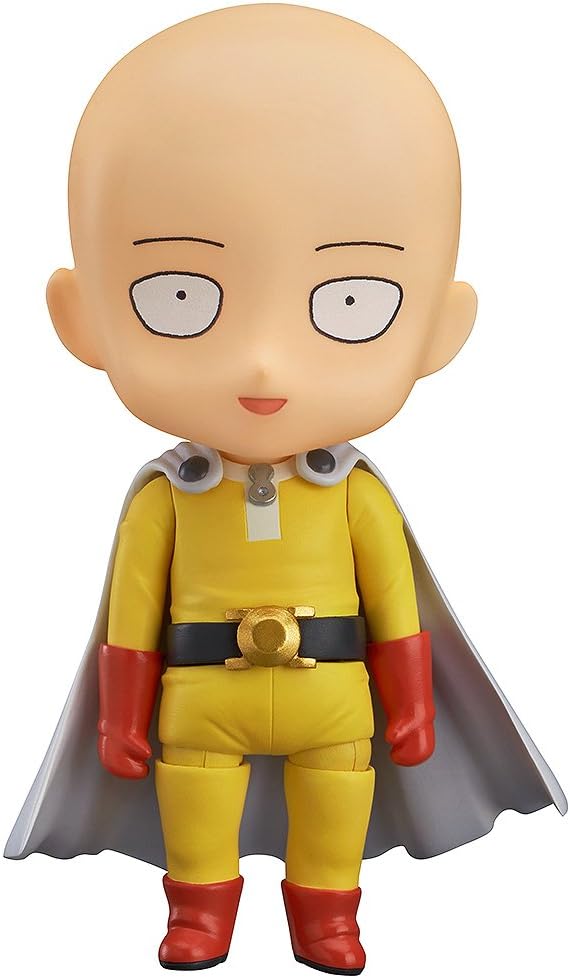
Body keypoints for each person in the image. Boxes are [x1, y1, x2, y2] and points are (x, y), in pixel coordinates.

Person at [5, 5, 565, 975]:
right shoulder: (168, 498)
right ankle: (198, 914)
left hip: (335, 696)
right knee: (194, 801)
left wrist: (413, 701)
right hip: (198, 696)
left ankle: (328, 919)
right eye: (179, 298)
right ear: (81, 316)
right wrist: (121, 714)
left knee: (337, 800)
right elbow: (130, 612)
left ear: (440, 328)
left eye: (351, 304)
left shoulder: (352, 494)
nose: (264, 360)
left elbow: (395, 600)